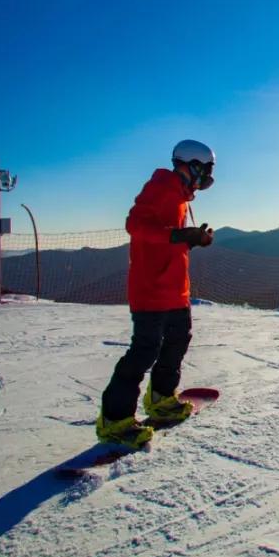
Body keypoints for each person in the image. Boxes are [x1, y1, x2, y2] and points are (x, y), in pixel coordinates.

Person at [96, 139, 216, 448]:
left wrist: (194, 239)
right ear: (192, 166)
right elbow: (135, 225)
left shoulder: (182, 198)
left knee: (178, 340)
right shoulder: (161, 187)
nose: (208, 178)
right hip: (151, 287)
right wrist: (179, 235)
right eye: (206, 170)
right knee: (145, 350)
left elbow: (169, 241)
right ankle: (115, 417)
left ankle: (161, 397)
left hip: (176, 288)